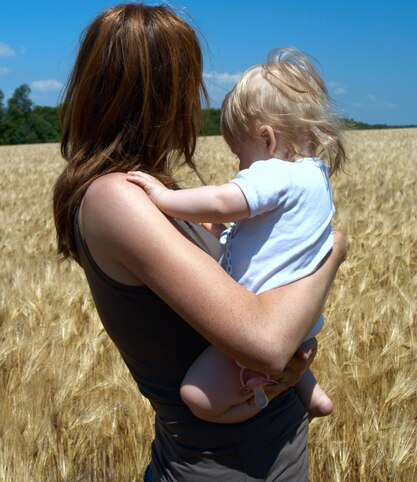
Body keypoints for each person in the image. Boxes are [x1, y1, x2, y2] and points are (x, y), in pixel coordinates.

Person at [53, 4, 346, 481]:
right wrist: (334, 250)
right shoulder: (116, 198)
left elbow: (264, 311)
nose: (198, 98)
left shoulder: (157, 190)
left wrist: (293, 360)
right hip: (221, 468)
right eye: (190, 82)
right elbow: (268, 344)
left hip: (272, 455)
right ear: (161, 95)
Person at [127, 48, 345, 424]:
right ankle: (313, 395)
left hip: (262, 320)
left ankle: (260, 394)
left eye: (240, 157)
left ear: (267, 139)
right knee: (292, 357)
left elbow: (223, 201)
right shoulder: (315, 175)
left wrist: (164, 198)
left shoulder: (275, 171)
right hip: (298, 314)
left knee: (197, 397)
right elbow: (272, 233)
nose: (240, 168)